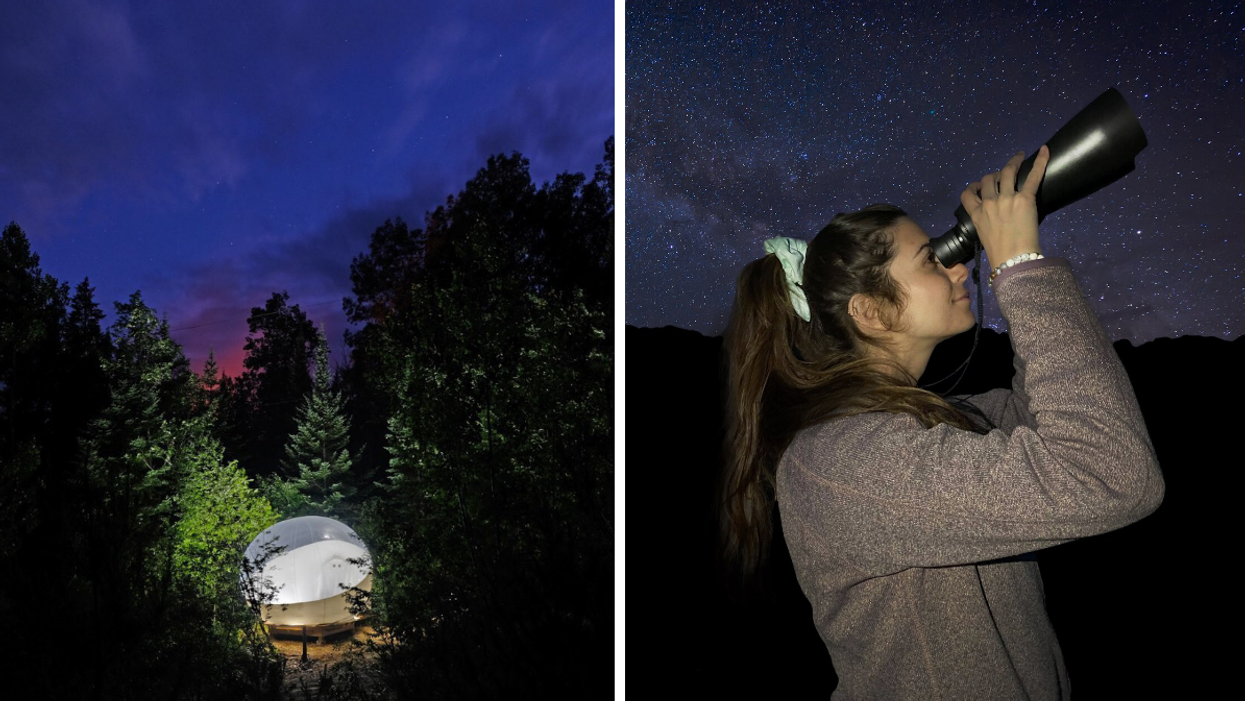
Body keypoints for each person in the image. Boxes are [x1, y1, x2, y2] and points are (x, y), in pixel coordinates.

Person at [718, 146, 1164, 700]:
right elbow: (1111, 470)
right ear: (872, 311)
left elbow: (1053, 408)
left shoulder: (948, 420)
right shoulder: (839, 461)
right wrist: (1019, 267)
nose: (959, 267)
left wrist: (1018, 246)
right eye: (930, 258)